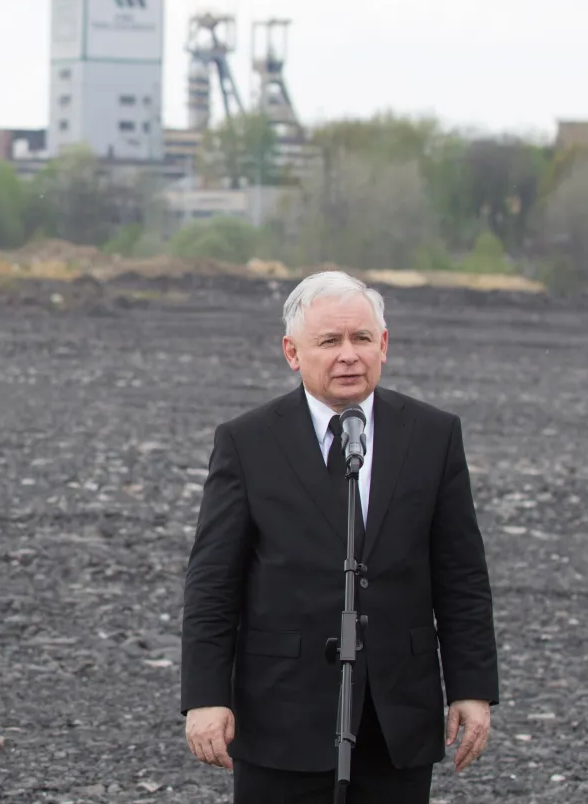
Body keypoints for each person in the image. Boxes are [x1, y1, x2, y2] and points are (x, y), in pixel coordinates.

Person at [180, 270, 499, 803]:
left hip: (396, 717)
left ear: (384, 345)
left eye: (361, 338)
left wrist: (472, 688)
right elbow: (213, 581)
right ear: (292, 352)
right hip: (281, 715)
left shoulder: (433, 435)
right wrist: (206, 696)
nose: (348, 355)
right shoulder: (247, 441)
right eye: (329, 341)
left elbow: (461, 575)